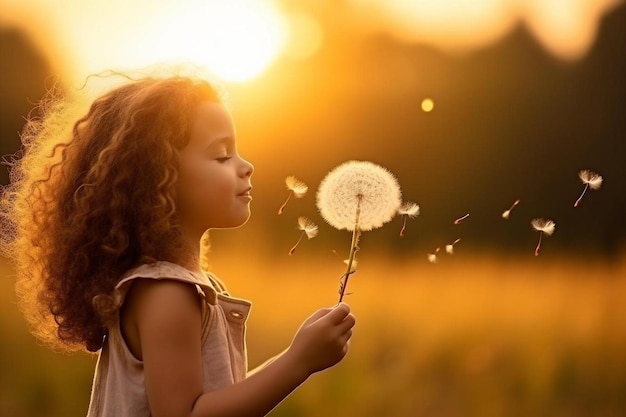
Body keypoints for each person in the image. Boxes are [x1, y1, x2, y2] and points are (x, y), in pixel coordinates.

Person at [0, 70, 356, 417]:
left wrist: (297, 355)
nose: (246, 165)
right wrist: (298, 361)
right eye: (221, 155)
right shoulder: (166, 292)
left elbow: (212, 400)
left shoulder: (186, 286)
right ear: (160, 176)